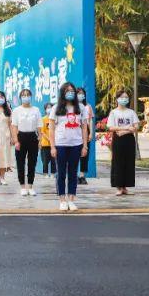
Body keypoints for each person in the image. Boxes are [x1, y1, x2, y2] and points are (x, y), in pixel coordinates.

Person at [48, 82, 90, 212]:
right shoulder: (56, 108)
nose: (70, 93)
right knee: (61, 173)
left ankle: (71, 199)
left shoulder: (81, 108)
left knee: (73, 173)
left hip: (76, 145)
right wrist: (52, 147)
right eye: (67, 90)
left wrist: (84, 146)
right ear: (63, 93)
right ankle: (62, 200)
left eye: (72, 90)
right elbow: (51, 129)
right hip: (61, 144)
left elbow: (84, 128)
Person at [107, 89, 139, 196]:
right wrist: (126, 128)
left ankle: (125, 187)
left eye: (126, 97)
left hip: (129, 139)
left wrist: (124, 131)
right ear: (117, 99)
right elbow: (110, 127)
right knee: (118, 162)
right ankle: (118, 187)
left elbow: (136, 126)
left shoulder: (131, 112)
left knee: (128, 162)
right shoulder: (113, 112)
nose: (124, 99)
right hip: (118, 140)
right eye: (122, 97)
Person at [11, 89, 42, 196]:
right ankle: (22, 186)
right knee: (20, 163)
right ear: (20, 97)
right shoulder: (16, 110)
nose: (26, 97)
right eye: (23, 95)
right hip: (21, 136)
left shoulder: (36, 110)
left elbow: (39, 127)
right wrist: (16, 141)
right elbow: (14, 126)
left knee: (32, 163)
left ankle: (30, 185)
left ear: (31, 96)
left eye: (28, 95)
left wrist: (40, 140)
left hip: (33, 137)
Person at [0, 92, 14, 186]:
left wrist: (13, 137)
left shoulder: (8, 111)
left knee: (4, 156)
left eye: (2, 97)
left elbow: (11, 125)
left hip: (5, 136)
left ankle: (3, 177)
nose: (0, 99)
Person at [76, 87, 94, 185]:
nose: (81, 95)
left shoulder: (88, 106)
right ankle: (73, 174)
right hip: (75, 130)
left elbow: (90, 120)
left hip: (85, 130)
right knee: (74, 153)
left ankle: (82, 175)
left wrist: (91, 132)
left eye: (82, 94)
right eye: (78, 93)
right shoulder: (73, 106)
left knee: (84, 153)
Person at [40, 102, 56, 178]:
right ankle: (45, 173)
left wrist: (53, 139)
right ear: (45, 109)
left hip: (54, 143)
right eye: (47, 108)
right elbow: (42, 131)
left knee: (53, 160)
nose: (49, 109)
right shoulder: (43, 119)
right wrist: (48, 138)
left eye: (50, 107)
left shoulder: (55, 119)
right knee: (45, 160)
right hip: (45, 143)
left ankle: (53, 173)